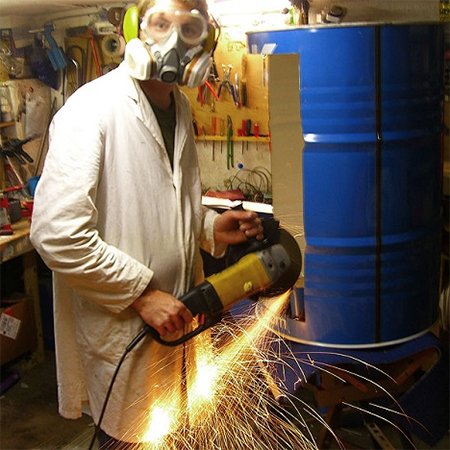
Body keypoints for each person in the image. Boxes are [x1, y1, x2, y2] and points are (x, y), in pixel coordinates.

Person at [30, 0, 263, 447]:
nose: (174, 42)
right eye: (161, 25)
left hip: (179, 323)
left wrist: (211, 228)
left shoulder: (179, 110)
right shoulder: (91, 111)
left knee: (179, 430)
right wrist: (140, 294)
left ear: (207, 41)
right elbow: (57, 235)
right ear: (136, 30)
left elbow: (168, 205)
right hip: (125, 332)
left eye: (190, 29)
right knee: (131, 437)